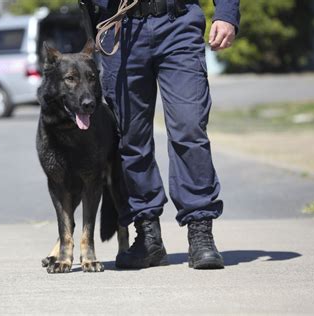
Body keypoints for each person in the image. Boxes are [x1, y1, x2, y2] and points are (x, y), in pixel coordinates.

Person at [89, 0, 240, 269]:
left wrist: (226, 14)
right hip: (121, 27)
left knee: (189, 127)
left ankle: (200, 231)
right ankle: (148, 237)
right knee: (130, 137)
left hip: (178, 22)